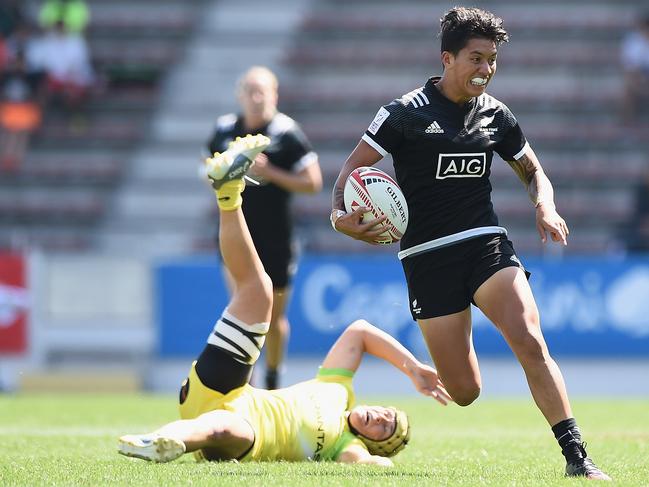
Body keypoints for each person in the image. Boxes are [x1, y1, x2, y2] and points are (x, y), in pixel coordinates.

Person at [330, 7, 610, 481]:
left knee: (529, 339)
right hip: (425, 257)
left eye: (492, 60)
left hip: (484, 243)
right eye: (476, 59)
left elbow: (533, 170)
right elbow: (345, 179)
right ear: (448, 58)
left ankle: (576, 456)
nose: (486, 70)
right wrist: (342, 220)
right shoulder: (403, 114)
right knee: (464, 391)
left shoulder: (497, 116)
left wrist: (545, 205)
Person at [118, 134, 451, 465]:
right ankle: (229, 194)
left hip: (244, 435)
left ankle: (163, 439)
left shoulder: (345, 447)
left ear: (372, 444)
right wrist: (412, 368)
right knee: (260, 290)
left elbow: (376, 465)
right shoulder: (337, 388)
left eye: (384, 429)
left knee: (221, 428)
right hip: (223, 389)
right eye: (388, 414)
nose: (379, 417)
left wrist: (378, 458)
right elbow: (360, 333)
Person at [206, 66, 323, 390]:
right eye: (251, 91)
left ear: (275, 95)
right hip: (236, 234)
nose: (257, 98)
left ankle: (272, 376)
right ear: (240, 95)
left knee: (272, 319)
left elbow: (312, 183)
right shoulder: (224, 130)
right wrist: (225, 172)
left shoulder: (286, 133)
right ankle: (246, 384)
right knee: (245, 308)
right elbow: (207, 172)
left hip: (277, 239)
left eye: (263, 91)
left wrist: (271, 172)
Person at [620, 13, 649, 122]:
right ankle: (627, 121)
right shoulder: (633, 42)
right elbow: (631, 68)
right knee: (627, 89)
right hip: (639, 77)